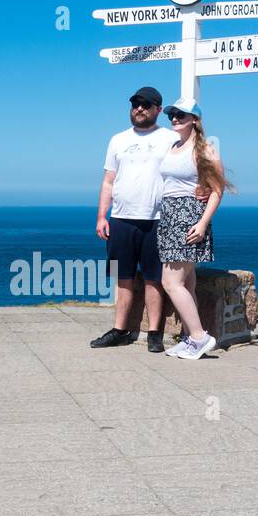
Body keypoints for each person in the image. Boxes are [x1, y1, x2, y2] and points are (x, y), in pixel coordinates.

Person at [92, 86, 178, 352]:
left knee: (154, 278)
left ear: (158, 110)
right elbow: (108, 181)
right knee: (123, 277)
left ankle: (154, 334)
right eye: (135, 104)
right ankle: (120, 329)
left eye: (145, 105)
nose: (139, 109)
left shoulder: (170, 138)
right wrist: (101, 217)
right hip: (121, 219)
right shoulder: (117, 140)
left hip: (157, 219)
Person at [157, 97, 232, 360]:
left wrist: (202, 223)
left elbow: (217, 190)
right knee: (187, 282)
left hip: (188, 217)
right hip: (168, 216)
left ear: (195, 120)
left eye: (181, 114)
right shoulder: (172, 147)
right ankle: (190, 339)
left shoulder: (205, 150)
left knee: (170, 281)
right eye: (172, 115)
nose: (175, 118)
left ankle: (200, 337)